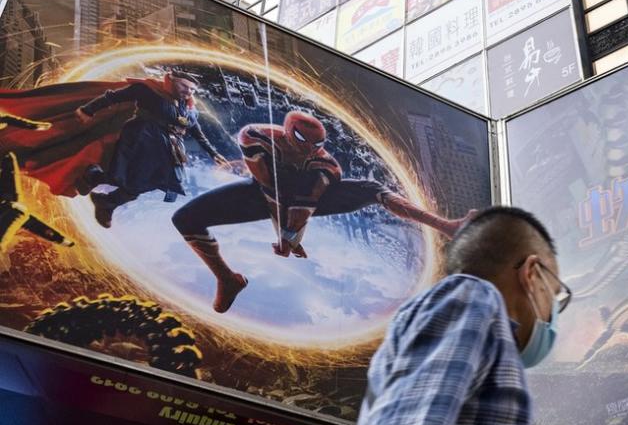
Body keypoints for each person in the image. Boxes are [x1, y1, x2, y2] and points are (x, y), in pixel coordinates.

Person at [343, 206, 571, 425]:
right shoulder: (470, 296)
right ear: (532, 273)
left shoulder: (478, 333)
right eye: (555, 294)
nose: (553, 313)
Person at [171, 110, 477, 313]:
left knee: (372, 190)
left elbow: (306, 202)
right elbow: (269, 188)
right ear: (289, 132)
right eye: (303, 141)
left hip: (307, 198)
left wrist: (290, 236)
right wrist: (285, 235)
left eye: (316, 144)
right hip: (260, 193)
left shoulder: (326, 164)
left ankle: (446, 225)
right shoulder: (257, 136)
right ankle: (227, 278)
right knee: (185, 218)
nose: (308, 149)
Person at [75, 70, 228, 227]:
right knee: (127, 177)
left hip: (168, 148)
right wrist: (89, 109)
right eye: (184, 86)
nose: (188, 91)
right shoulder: (149, 90)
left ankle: (105, 199)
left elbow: (197, 133)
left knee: (153, 181)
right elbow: (113, 97)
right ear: (172, 81)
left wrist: (213, 153)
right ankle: (95, 181)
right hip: (142, 138)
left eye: (192, 89)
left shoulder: (188, 108)